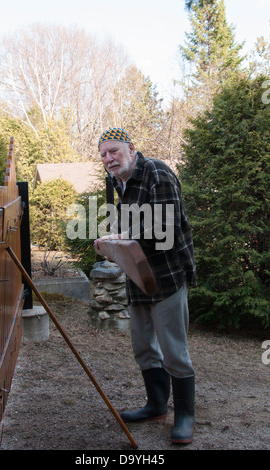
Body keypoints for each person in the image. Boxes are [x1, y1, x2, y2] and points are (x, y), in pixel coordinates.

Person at [94, 128, 196, 444]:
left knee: (173, 351)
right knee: (142, 345)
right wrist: (111, 241)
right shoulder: (118, 182)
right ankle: (156, 405)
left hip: (167, 275)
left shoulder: (157, 173)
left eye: (113, 151)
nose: (108, 159)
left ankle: (184, 417)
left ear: (131, 148)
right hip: (137, 275)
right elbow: (126, 227)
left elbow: (164, 228)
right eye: (103, 155)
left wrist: (122, 238)